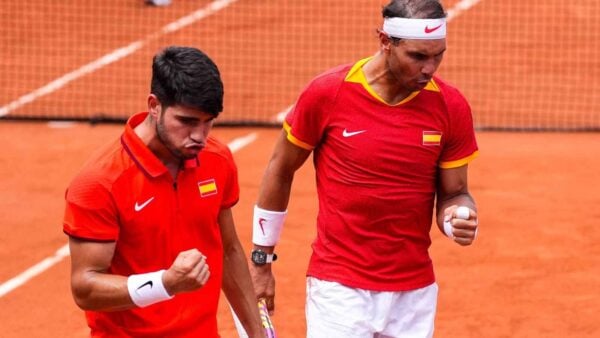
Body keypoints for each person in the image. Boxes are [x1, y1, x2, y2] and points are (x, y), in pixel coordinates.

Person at [248, 0, 480, 337]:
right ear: (385, 41)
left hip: (413, 293)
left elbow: (455, 194)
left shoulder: (450, 106)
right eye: (417, 56)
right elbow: (280, 169)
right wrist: (261, 261)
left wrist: (458, 216)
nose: (430, 68)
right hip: (339, 288)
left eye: (437, 55)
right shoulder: (328, 93)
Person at [63, 46, 264, 337]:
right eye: (187, 121)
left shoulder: (217, 160)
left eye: (208, 122)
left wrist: (255, 331)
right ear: (154, 105)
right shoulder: (100, 182)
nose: (199, 136)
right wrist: (165, 284)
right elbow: (85, 286)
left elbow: (229, 249)